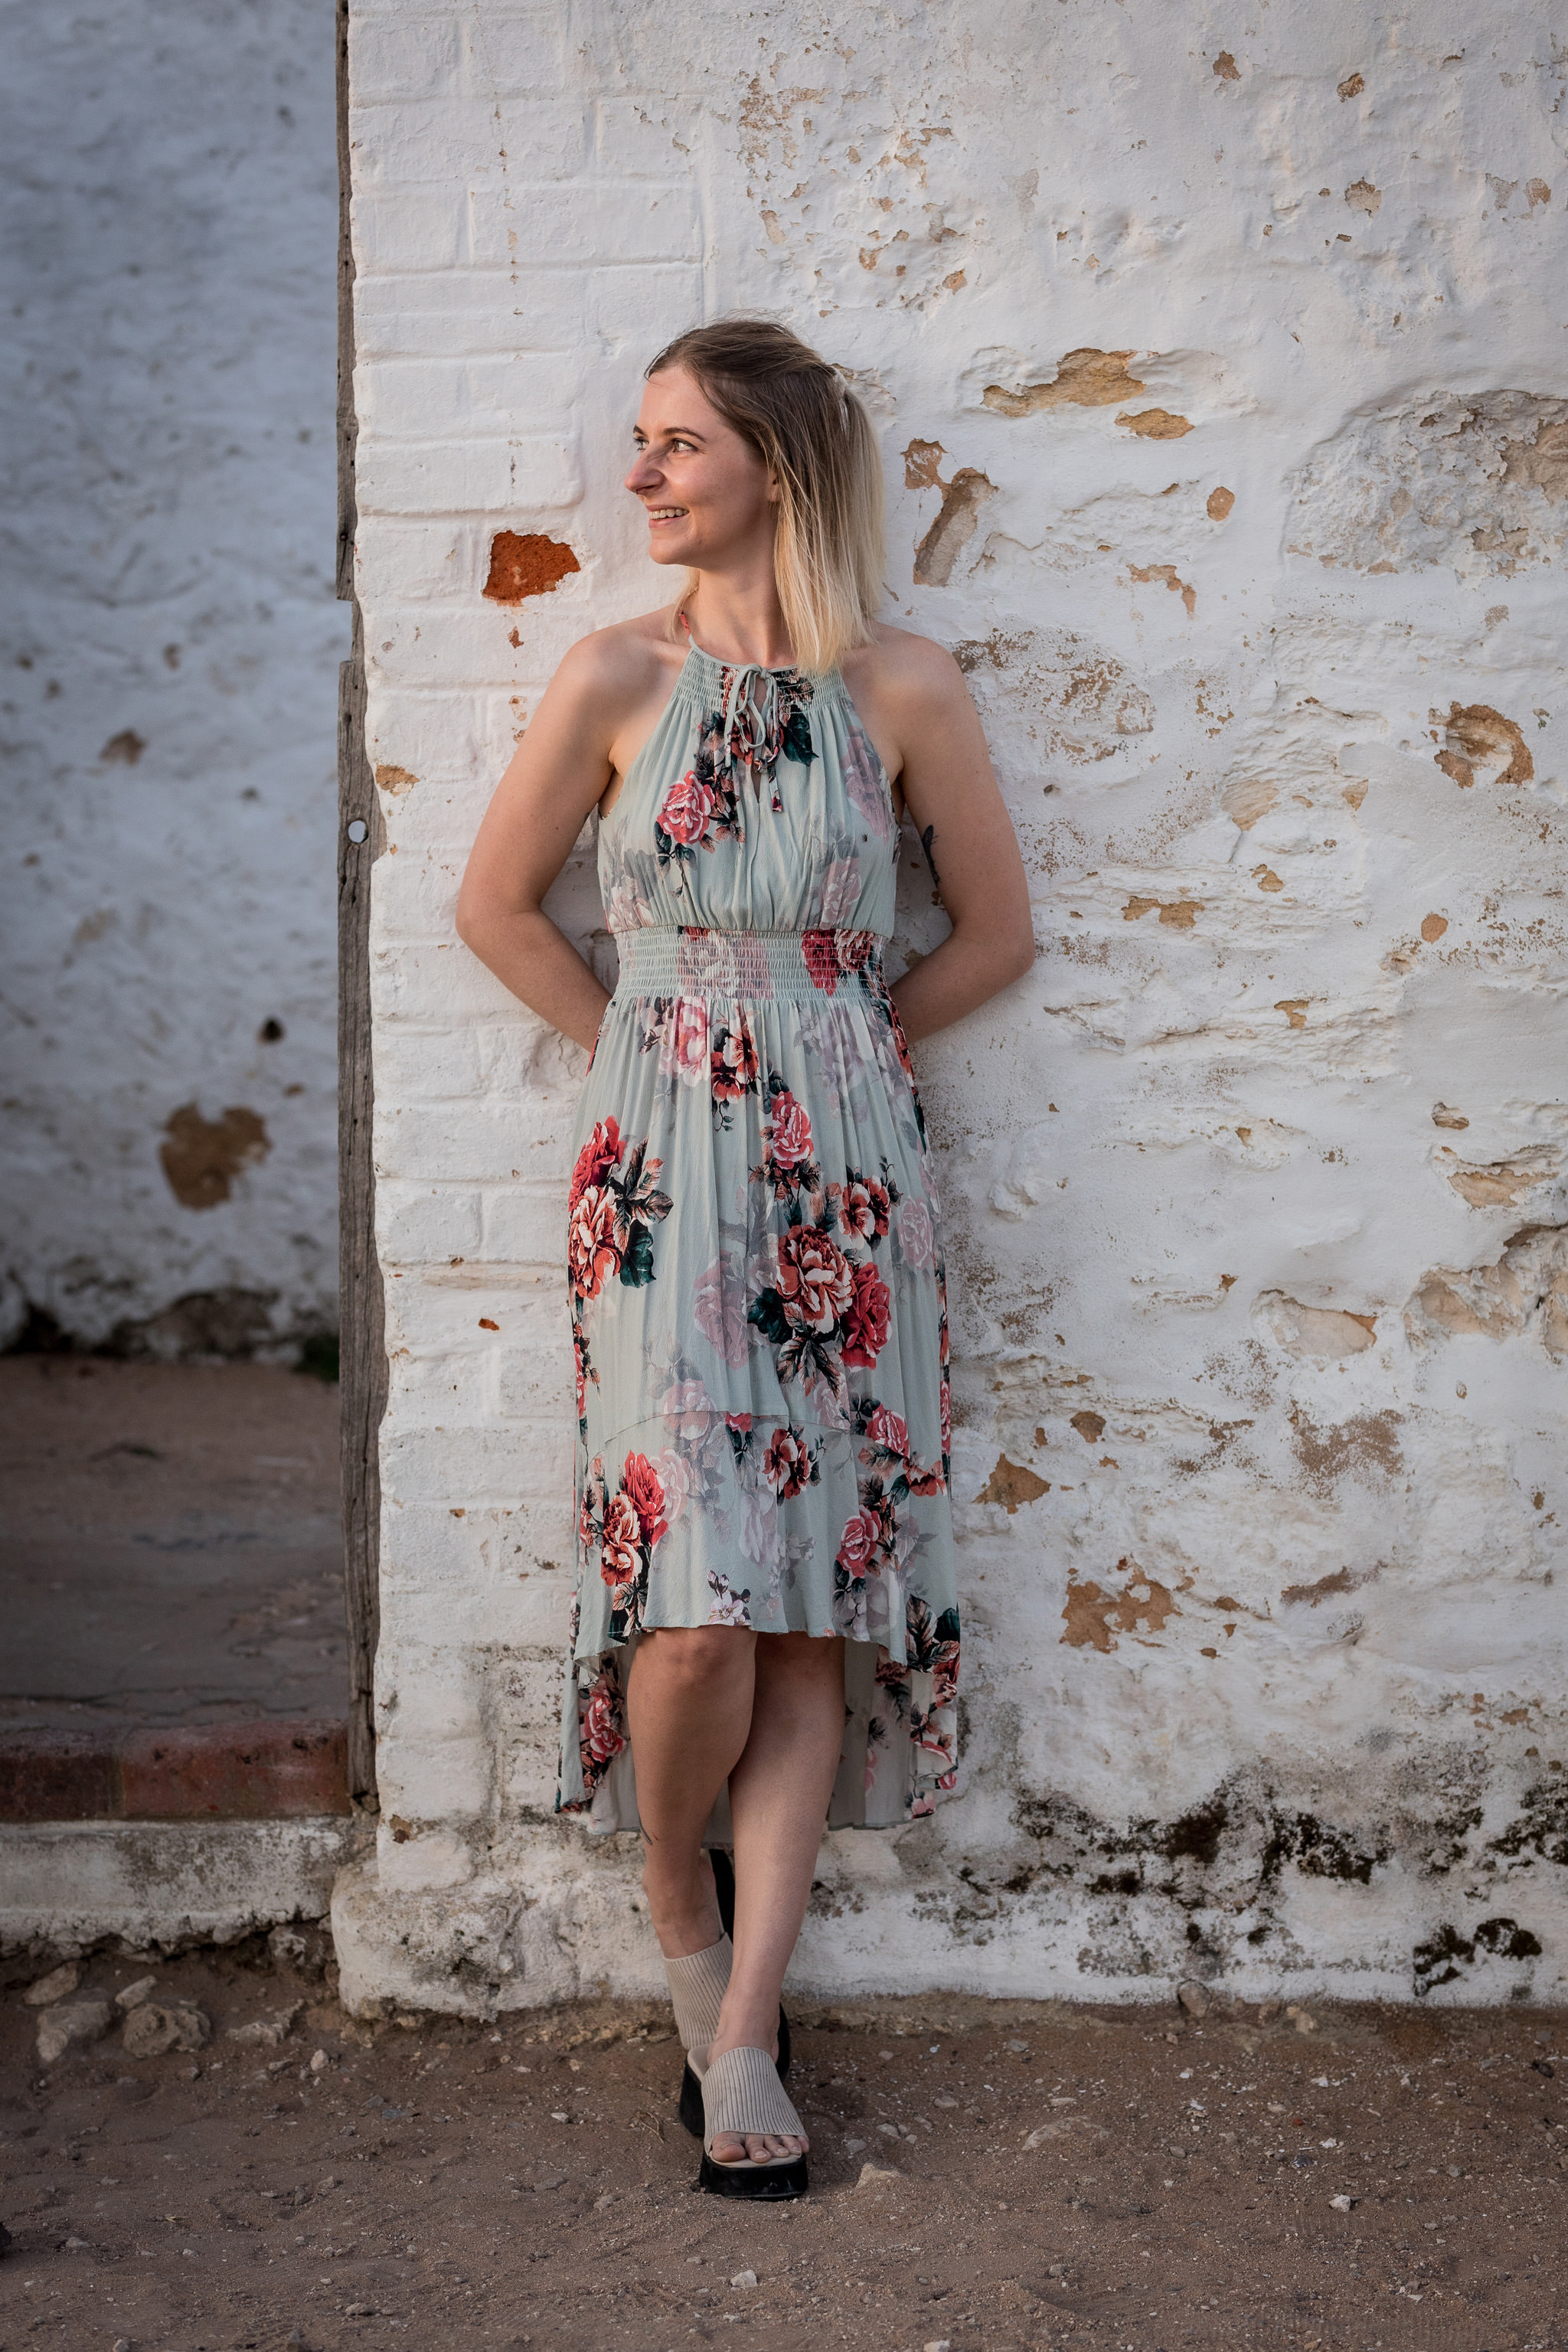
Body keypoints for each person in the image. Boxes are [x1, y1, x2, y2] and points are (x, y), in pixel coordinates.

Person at [456, 317, 1034, 2197]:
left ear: (774, 467)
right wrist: (657, 1061)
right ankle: (670, 1893)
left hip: (847, 1187)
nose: (639, 474)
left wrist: (835, 1055)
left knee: (805, 1618)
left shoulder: (906, 687)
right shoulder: (614, 674)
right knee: (697, 1609)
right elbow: (496, 907)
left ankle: (744, 2031)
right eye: (639, 440)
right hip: (659, 1184)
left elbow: (993, 936)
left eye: (676, 443)